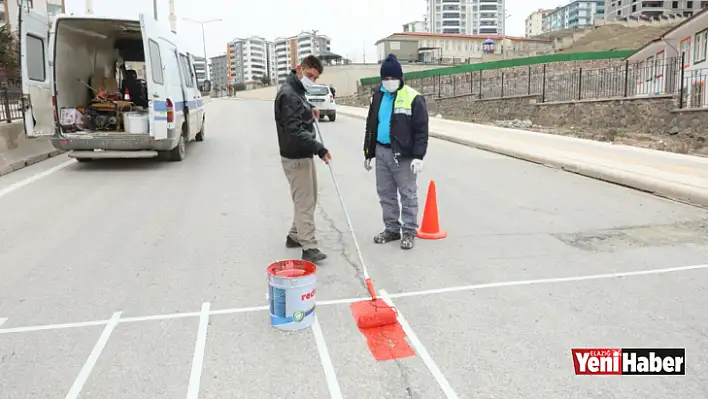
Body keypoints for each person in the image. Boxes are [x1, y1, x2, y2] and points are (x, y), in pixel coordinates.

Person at [363, 54, 429, 250]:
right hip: (381, 151)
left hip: (403, 155)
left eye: (393, 78)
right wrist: (368, 152)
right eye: (386, 78)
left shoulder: (413, 98)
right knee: (386, 193)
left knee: (407, 194)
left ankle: (409, 231)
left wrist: (419, 156)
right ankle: (392, 229)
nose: (390, 82)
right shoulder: (377, 96)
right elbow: (371, 125)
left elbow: (421, 130)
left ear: (400, 78)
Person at [274, 55, 332, 263]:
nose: (311, 80)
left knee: (306, 198)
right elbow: (294, 130)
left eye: (315, 78)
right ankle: (308, 246)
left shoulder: (296, 91)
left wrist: (310, 111)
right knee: (305, 201)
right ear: (299, 69)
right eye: (309, 75)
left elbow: (299, 114)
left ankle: (294, 235)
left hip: (299, 153)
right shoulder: (289, 94)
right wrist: (319, 148)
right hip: (296, 155)